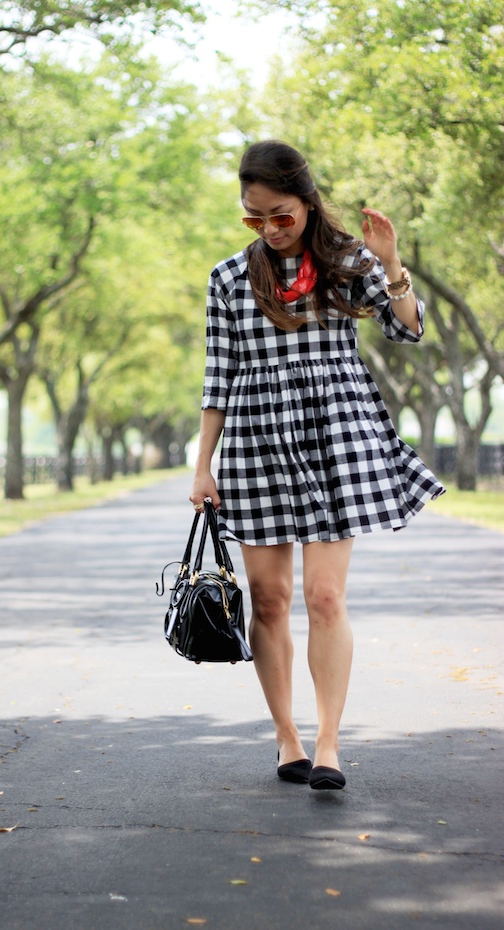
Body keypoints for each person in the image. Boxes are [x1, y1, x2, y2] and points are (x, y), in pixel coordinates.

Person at [189, 139, 445, 791]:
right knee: (270, 600)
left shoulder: (346, 263)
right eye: (254, 218)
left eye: (280, 215)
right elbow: (218, 377)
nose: (270, 229)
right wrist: (202, 466)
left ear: (305, 203)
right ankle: (287, 735)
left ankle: (330, 742)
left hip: (335, 434)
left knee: (325, 596)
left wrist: (391, 265)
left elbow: (406, 328)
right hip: (255, 440)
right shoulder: (227, 279)